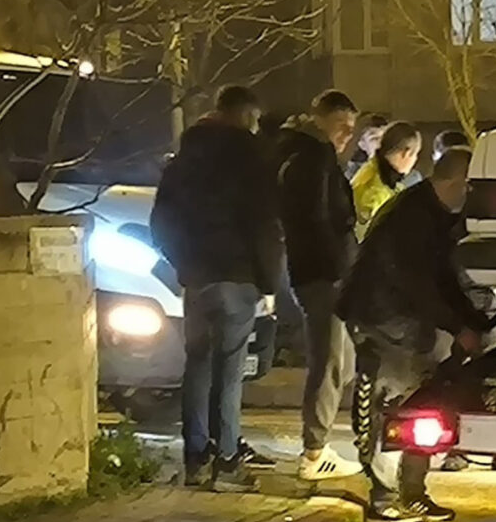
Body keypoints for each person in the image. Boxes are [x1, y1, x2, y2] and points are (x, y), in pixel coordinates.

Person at [339, 148, 488, 522]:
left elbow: (441, 277)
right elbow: (418, 282)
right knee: (392, 404)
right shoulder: (412, 218)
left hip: (406, 319)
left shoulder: (430, 213)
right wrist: (460, 326)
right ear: (459, 182)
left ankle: (412, 493)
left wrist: (470, 322)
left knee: (423, 401)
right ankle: (384, 497)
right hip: (383, 319)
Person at [151, 85, 283, 492]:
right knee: (229, 371)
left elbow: (161, 222)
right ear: (246, 115)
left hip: (197, 278)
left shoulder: (184, 159)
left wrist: (183, 263)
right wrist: (269, 281)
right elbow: (263, 224)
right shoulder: (252, 158)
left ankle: (195, 458)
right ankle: (226, 461)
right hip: (237, 276)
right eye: (255, 119)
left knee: (197, 366)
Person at [278, 89, 362, 480]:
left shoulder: (304, 155)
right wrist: (338, 269)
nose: (348, 135)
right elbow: (317, 219)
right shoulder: (314, 158)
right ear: (322, 119)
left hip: (320, 271)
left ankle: (317, 442)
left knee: (341, 361)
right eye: (342, 126)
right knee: (330, 360)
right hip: (324, 274)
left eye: (351, 129)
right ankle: (314, 452)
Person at [350, 121, 421, 236]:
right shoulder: (376, 192)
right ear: (406, 153)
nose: (415, 160)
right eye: (416, 154)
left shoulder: (373, 172)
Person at [345, 113, 391, 181]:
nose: (381, 142)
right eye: (375, 138)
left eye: (385, 137)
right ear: (362, 144)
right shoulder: (352, 176)